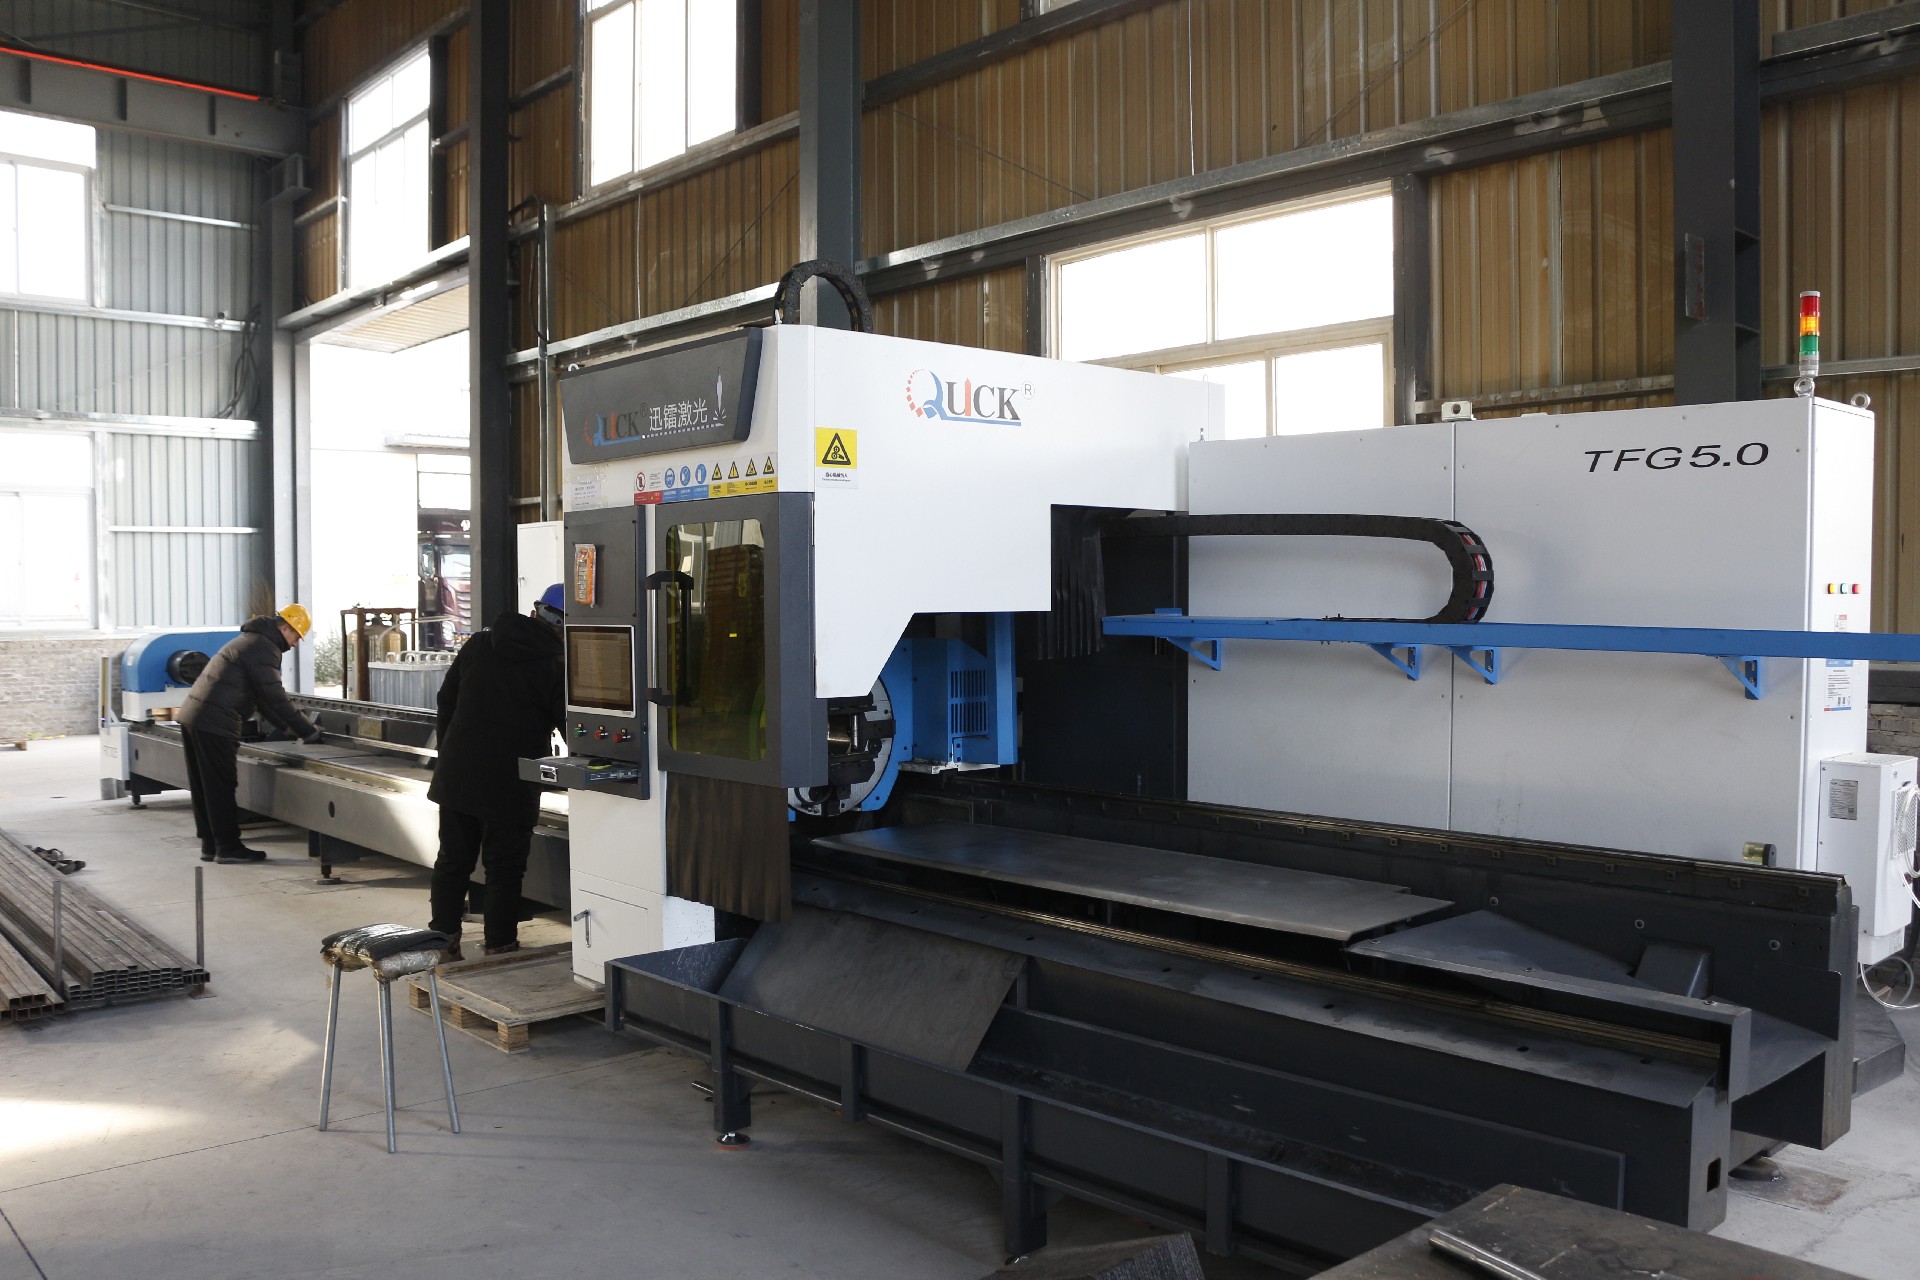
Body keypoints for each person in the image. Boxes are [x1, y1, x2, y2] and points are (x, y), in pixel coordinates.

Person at [427, 584, 566, 960]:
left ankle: (442, 943)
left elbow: (445, 701)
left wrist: (450, 753)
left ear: (536, 612)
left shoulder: (478, 644)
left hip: (458, 774)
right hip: (512, 782)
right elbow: (571, 728)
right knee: (504, 868)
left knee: (452, 861)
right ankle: (500, 947)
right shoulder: (556, 664)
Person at [177, 604, 324, 864]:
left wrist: (288, 728)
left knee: (204, 786)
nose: (295, 644)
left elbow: (263, 700)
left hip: (195, 716)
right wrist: (308, 730)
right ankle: (228, 848)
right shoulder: (264, 648)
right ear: (285, 627)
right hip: (215, 722)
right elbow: (274, 696)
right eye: (296, 636)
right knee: (220, 785)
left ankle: (210, 844)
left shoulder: (252, 640)